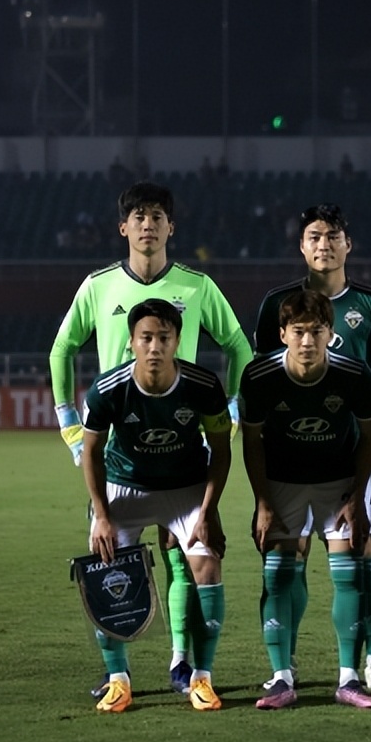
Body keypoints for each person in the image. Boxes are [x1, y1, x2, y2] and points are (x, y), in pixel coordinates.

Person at [50, 181, 253, 699]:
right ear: (123, 227)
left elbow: (237, 344)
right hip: (120, 446)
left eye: (157, 216)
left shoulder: (197, 286)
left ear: (170, 227)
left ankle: (184, 661)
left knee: (184, 557)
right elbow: (62, 349)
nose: (147, 225)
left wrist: (231, 407)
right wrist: (69, 421)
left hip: (182, 444)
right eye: (138, 216)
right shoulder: (98, 286)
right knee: (113, 559)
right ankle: (117, 672)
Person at [252, 203, 371, 691]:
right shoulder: (277, 303)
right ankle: (286, 661)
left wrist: (362, 412)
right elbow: (266, 374)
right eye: (315, 236)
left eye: (333, 236)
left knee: (364, 549)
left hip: (354, 452)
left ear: (348, 244)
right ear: (302, 246)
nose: (324, 245)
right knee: (289, 552)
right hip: (290, 454)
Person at [80, 299, 233, 713]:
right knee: (105, 568)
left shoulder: (203, 385)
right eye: (146, 338)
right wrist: (101, 515)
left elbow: (221, 451)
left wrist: (208, 511)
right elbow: (91, 452)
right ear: (131, 342)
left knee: (207, 565)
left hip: (185, 488)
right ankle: (118, 680)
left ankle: (202, 678)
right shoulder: (107, 389)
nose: (154, 347)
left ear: (177, 341)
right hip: (124, 487)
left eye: (164, 338)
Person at [240, 289, 371, 711]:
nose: (307, 341)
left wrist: (357, 497)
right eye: (299, 331)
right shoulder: (259, 376)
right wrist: (263, 502)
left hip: (336, 479)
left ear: (330, 333)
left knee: (349, 571)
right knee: (277, 575)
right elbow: (252, 442)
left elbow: (369, 438)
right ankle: (281, 679)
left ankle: (349, 679)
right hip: (282, 480)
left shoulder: (354, 374)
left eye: (317, 331)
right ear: (282, 334)